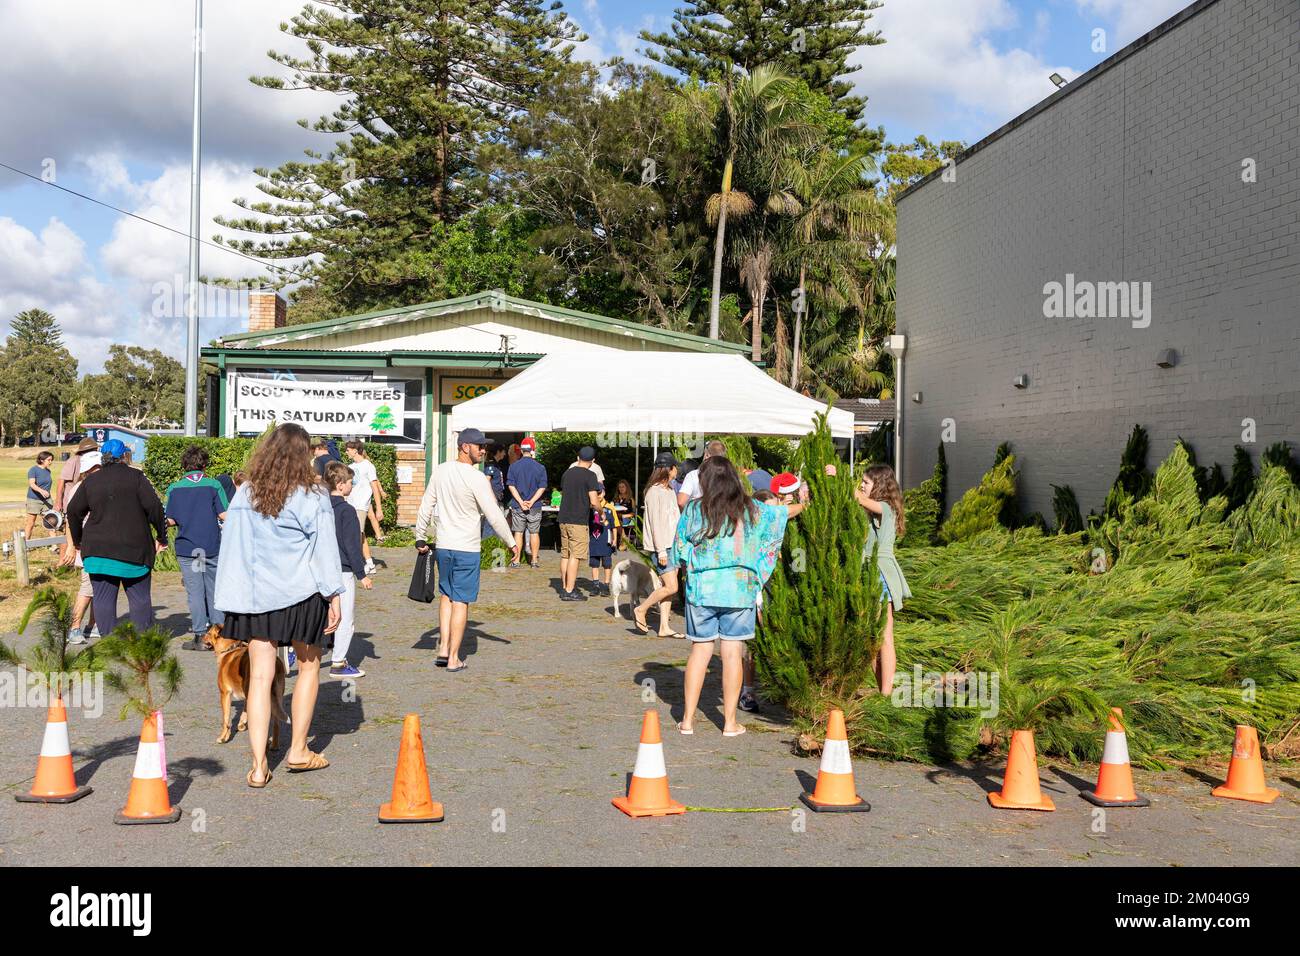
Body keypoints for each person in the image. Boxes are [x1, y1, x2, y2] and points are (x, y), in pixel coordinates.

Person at [215, 423, 345, 787]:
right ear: (304, 455)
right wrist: (334, 593)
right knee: (308, 669)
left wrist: (228, 595)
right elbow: (323, 548)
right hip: (302, 593)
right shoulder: (313, 493)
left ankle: (258, 766)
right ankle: (299, 750)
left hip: (256, 597)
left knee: (258, 676)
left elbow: (232, 546)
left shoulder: (245, 493)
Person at [671, 456, 803, 736]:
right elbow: (780, 515)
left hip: (703, 589)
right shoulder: (751, 508)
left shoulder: (695, 509)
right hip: (740, 590)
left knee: (700, 651)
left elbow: (680, 550)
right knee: (732, 654)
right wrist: (806, 503)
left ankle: (687, 720)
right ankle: (730, 723)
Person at [413, 427, 519, 672]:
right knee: (461, 601)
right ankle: (453, 658)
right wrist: (511, 542)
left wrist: (420, 536)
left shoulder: (440, 471)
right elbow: (493, 513)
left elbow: (426, 504)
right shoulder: (476, 478)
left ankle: (442, 649)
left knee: (446, 596)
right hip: (467, 548)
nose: (484, 450)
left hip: (444, 546)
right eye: (479, 446)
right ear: (464, 447)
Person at [65, 438, 168, 635]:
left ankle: (109, 643)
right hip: (135, 549)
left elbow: (73, 511)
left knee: (103, 598)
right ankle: (142, 643)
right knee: (140, 598)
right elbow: (155, 507)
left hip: (98, 550)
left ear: (103, 458)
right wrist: (162, 536)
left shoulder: (91, 481)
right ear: (124, 457)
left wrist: (78, 541)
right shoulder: (137, 477)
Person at [164, 446, 229, 651]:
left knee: (195, 592)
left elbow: (170, 520)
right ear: (204, 464)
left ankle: (200, 635)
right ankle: (219, 632)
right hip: (211, 546)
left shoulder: (174, 488)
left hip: (189, 548)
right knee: (213, 590)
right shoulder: (214, 485)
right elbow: (224, 515)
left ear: (184, 465)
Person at [855, 464, 912, 694]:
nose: (861, 485)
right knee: (873, 637)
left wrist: (837, 475)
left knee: (884, 635)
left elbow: (860, 499)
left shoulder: (886, 508)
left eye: (866, 482)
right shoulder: (873, 511)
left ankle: (886, 695)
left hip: (880, 574)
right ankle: (882, 690)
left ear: (878, 486)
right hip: (868, 572)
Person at [324, 461, 372, 679]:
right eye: (351, 482)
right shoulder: (347, 510)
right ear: (341, 485)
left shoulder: (319, 507)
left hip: (319, 570)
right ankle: (339, 662)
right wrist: (361, 574)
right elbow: (352, 545)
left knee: (321, 615)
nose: (352, 486)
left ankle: (298, 652)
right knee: (344, 618)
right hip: (342, 571)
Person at [633, 453, 683, 637]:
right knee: (672, 586)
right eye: (675, 467)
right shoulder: (654, 492)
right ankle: (641, 609)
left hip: (673, 545)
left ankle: (663, 627)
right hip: (662, 547)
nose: (677, 470)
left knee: (669, 587)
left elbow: (673, 519)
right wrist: (661, 550)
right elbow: (655, 523)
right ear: (668, 469)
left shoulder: (669, 490)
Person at [58, 451, 102, 645]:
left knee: (99, 586)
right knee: (87, 587)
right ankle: (74, 627)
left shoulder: (100, 485)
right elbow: (70, 519)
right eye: (95, 468)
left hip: (100, 544)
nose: (98, 470)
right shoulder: (80, 488)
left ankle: (93, 625)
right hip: (86, 544)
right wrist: (71, 546)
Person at [557, 446, 601, 601]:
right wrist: (601, 512)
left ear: (578, 458)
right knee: (576, 555)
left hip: (563, 519)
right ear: (593, 461)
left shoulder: (567, 473)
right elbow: (594, 501)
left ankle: (564, 586)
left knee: (565, 554)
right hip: (578, 521)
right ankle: (569, 591)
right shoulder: (590, 475)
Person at [506, 436, 548, 568]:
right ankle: (534, 560)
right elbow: (542, 487)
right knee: (534, 532)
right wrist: (531, 501)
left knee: (518, 532)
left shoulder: (513, 467)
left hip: (518, 505)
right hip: (534, 506)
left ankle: (516, 560)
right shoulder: (540, 467)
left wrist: (520, 501)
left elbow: (511, 485)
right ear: (533, 450)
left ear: (521, 451)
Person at [344, 440, 383, 575]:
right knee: (360, 535)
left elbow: (374, 487)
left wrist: (379, 508)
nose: (346, 452)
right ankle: (370, 563)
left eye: (348, 450)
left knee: (356, 534)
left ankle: (357, 565)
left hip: (361, 505)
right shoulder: (349, 466)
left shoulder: (368, 466)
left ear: (355, 450)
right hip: (349, 504)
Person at [676, 440, 726, 508]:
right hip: (721, 516)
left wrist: (692, 512)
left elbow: (681, 501)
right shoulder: (729, 476)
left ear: (707, 456)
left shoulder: (693, 475)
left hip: (699, 517)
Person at [55, 437, 97, 512]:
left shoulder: (96, 461)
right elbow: (61, 481)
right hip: (72, 502)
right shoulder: (74, 460)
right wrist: (58, 502)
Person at [588, 491, 617, 595]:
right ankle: (595, 585)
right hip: (594, 542)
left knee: (607, 564)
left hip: (605, 543)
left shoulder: (609, 510)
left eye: (600, 493)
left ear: (604, 493)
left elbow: (614, 527)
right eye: (596, 493)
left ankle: (606, 585)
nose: (598, 496)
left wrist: (615, 540)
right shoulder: (590, 511)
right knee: (594, 564)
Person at [24, 451, 55, 540]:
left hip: (46, 500)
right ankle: (26, 544)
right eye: (48, 460)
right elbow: (32, 484)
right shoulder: (33, 470)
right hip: (34, 500)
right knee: (31, 523)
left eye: (51, 460)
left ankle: (54, 545)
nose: (50, 462)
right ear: (42, 460)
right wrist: (41, 491)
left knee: (51, 521)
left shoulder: (48, 471)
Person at [611, 479, 635, 550]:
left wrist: (624, 516)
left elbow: (633, 513)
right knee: (613, 518)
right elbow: (611, 507)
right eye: (620, 487)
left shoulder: (630, 500)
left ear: (626, 488)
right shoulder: (615, 499)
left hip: (627, 518)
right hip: (616, 517)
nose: (621, 489)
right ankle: (624, 537)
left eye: (623, 487)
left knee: (617, 519)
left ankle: (623, 539)